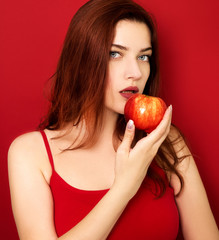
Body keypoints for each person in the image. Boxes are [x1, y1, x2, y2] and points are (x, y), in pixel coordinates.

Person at [8, 0, 219, 239]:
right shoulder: (30, 153)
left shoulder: (165, 142)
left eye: (143, 57)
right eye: (115, 54)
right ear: (82, 59)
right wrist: (124, 187)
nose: (136, 73)